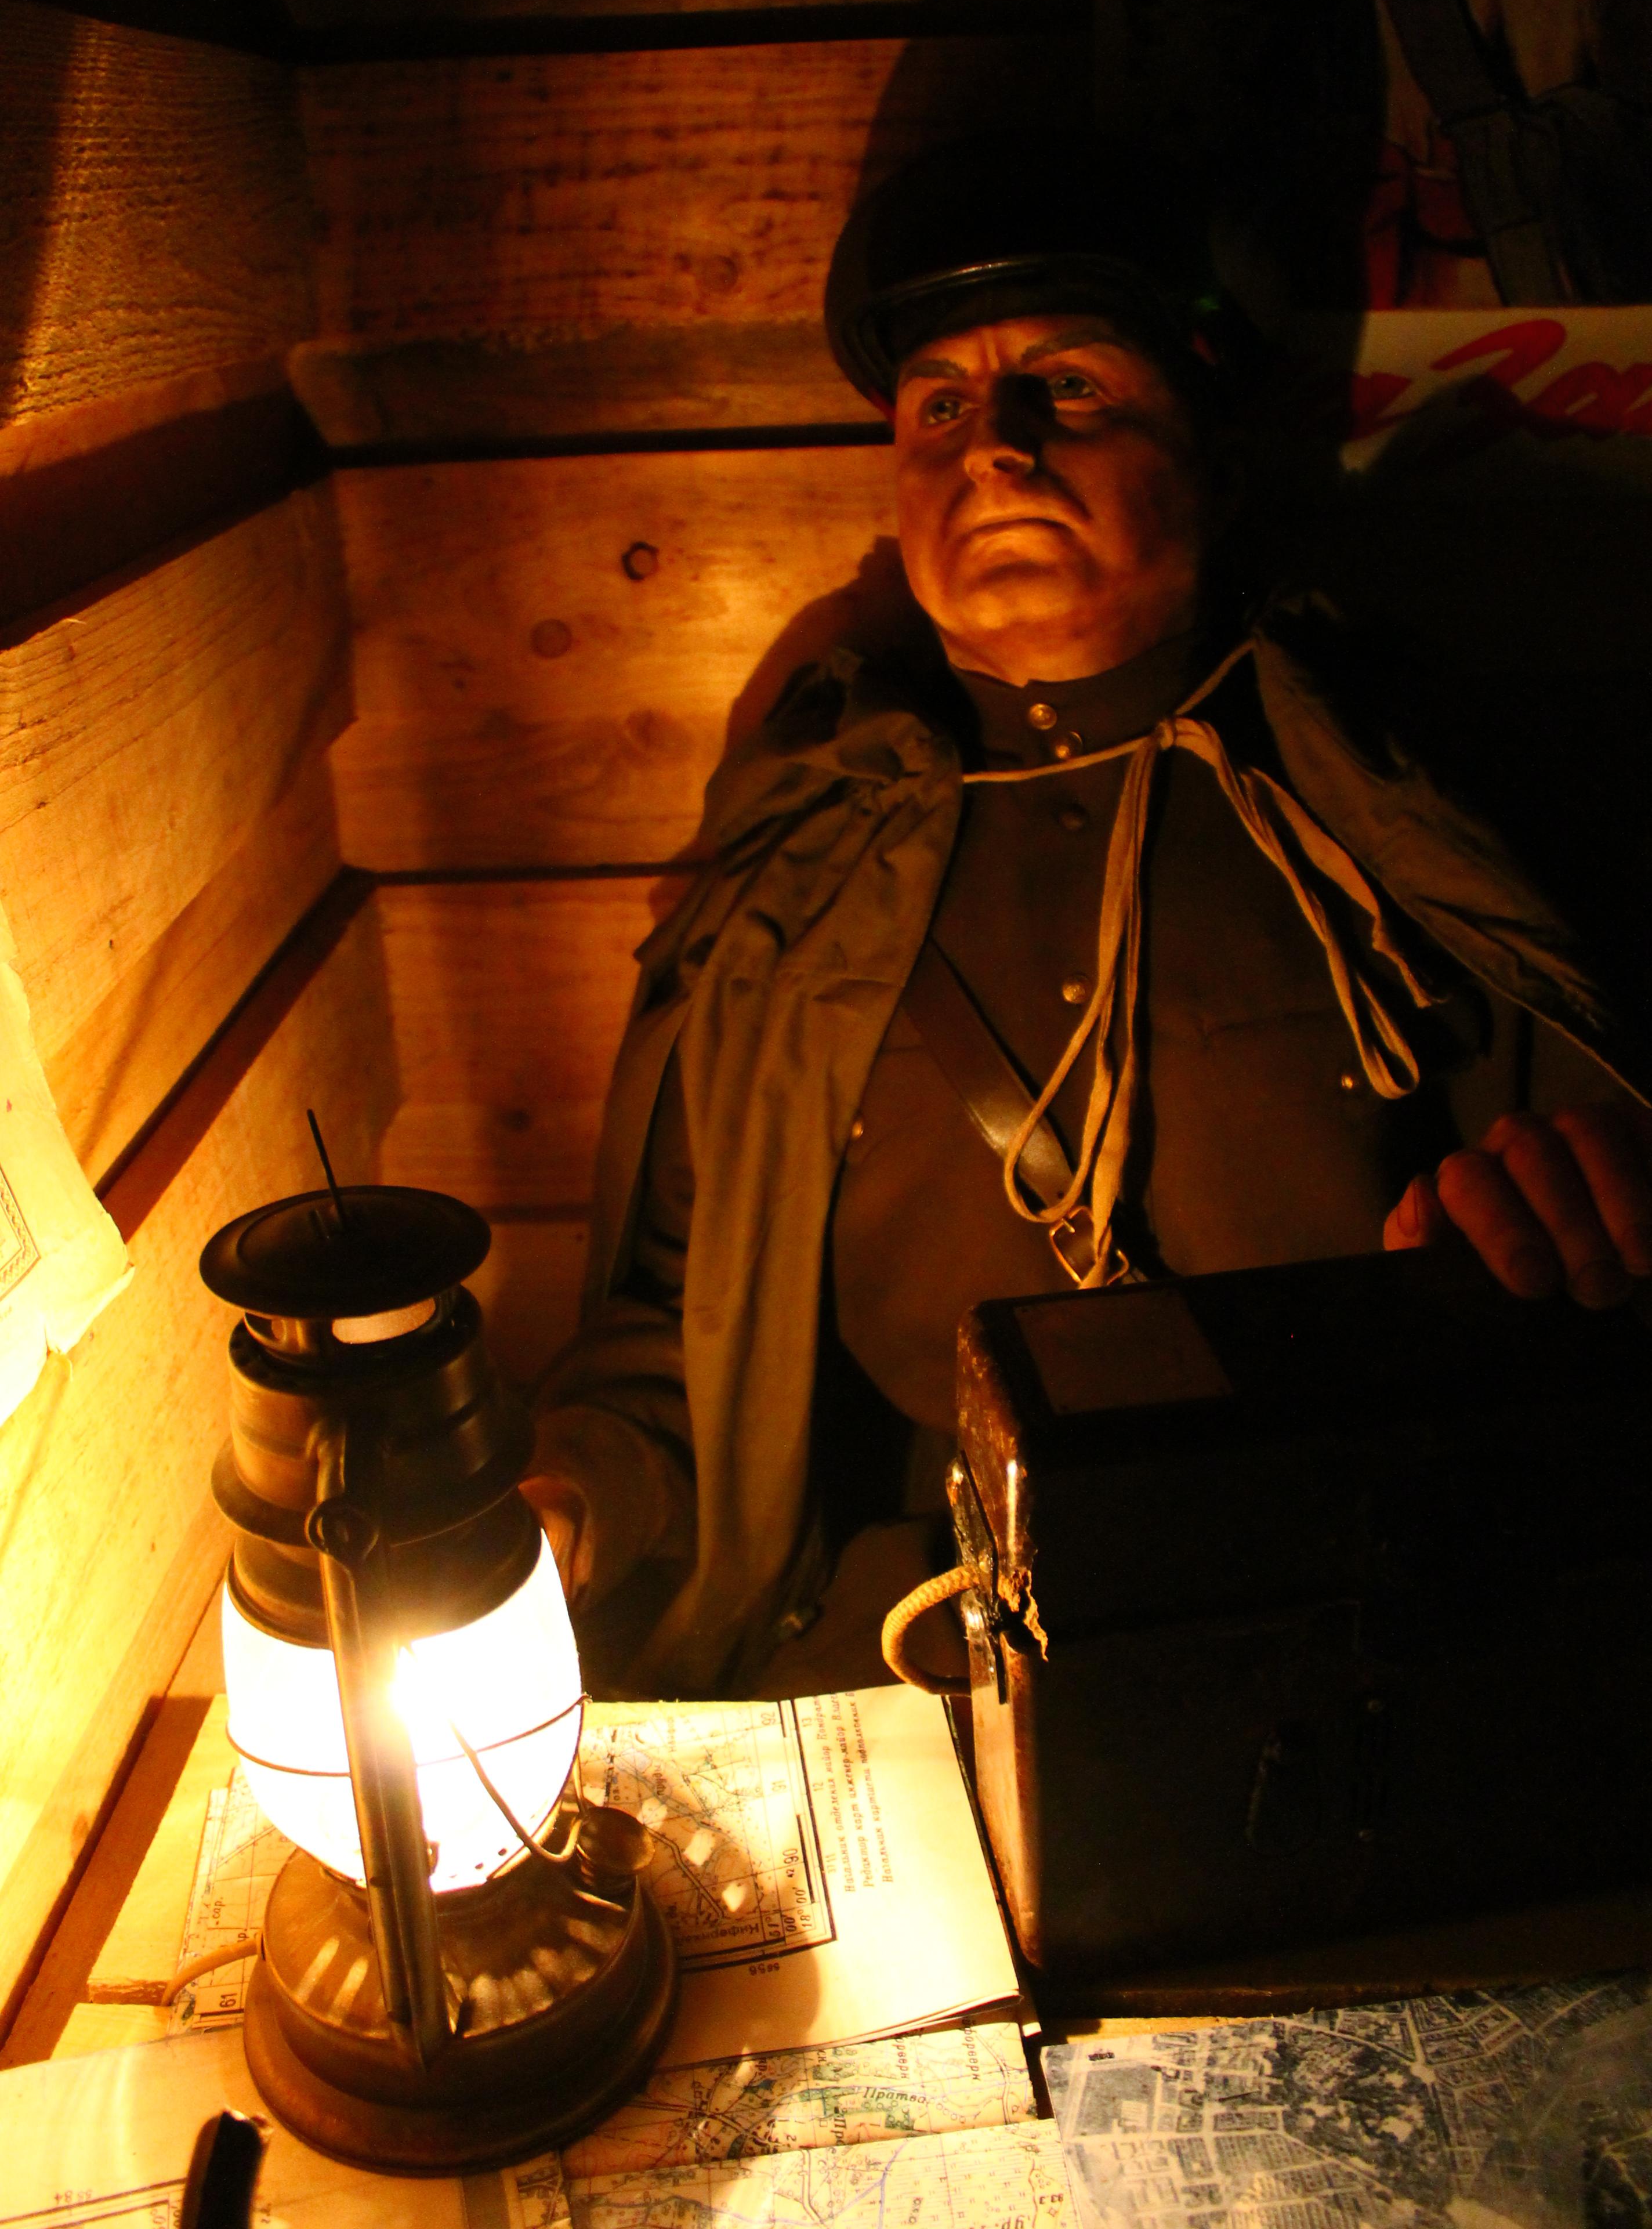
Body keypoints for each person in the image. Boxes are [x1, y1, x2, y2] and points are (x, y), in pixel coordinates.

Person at [521, 140, 1652, 1700]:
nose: (995, 450)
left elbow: (1588, 1201)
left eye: (1069, 389)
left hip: (1361, 1627)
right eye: (939, 409)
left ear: (1213, 458)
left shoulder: (1399, 807)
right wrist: (568, 1500)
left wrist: (1580, 1222)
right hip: (921, 1648)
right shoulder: (796, 882)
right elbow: (681, 1329)